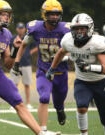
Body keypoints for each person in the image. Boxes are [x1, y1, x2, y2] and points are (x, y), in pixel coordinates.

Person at [0, 0, 60, 135]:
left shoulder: (6, 33)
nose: (7, 17)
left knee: (19, 103)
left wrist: (15, 50)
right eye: (3, 14)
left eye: (8, 14)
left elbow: (8, 64)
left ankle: (40, 133)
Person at [46, 13, 105, 135]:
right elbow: (61, 52)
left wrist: (89, 67)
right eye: (76, 28)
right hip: (82, 82)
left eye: (82, 28)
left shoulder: (97, 43)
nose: (79, 31)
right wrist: (52, 69)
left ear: (90, 28)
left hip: (100, 82)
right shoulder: (68, 40)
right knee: (82, 107)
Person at [12, 0, 70, 130]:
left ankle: (60, 110)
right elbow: (23, 45)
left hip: (61, 73)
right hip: (44, 71)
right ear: (44, 14)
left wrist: (68, 56)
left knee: (59, 102)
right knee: (44, 98)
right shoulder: (35, 28)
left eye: (57, 14)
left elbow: (73, 48)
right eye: (51, 14)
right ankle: (43, 129)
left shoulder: (65, 29)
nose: (54, 16)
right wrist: (16, 62)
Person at [10, 22, 38, 109]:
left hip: (26, 63)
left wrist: (30, 52)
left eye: (22, 28)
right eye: (19, 28)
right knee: (14, 84)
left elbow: (37, 46)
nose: (20, 29)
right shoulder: (13, 38)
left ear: (24, 29)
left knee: (27, 84)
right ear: (16, 29)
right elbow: (10, 49)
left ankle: (28, 103)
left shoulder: (28, 37)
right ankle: (14, 103)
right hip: (15, 64)